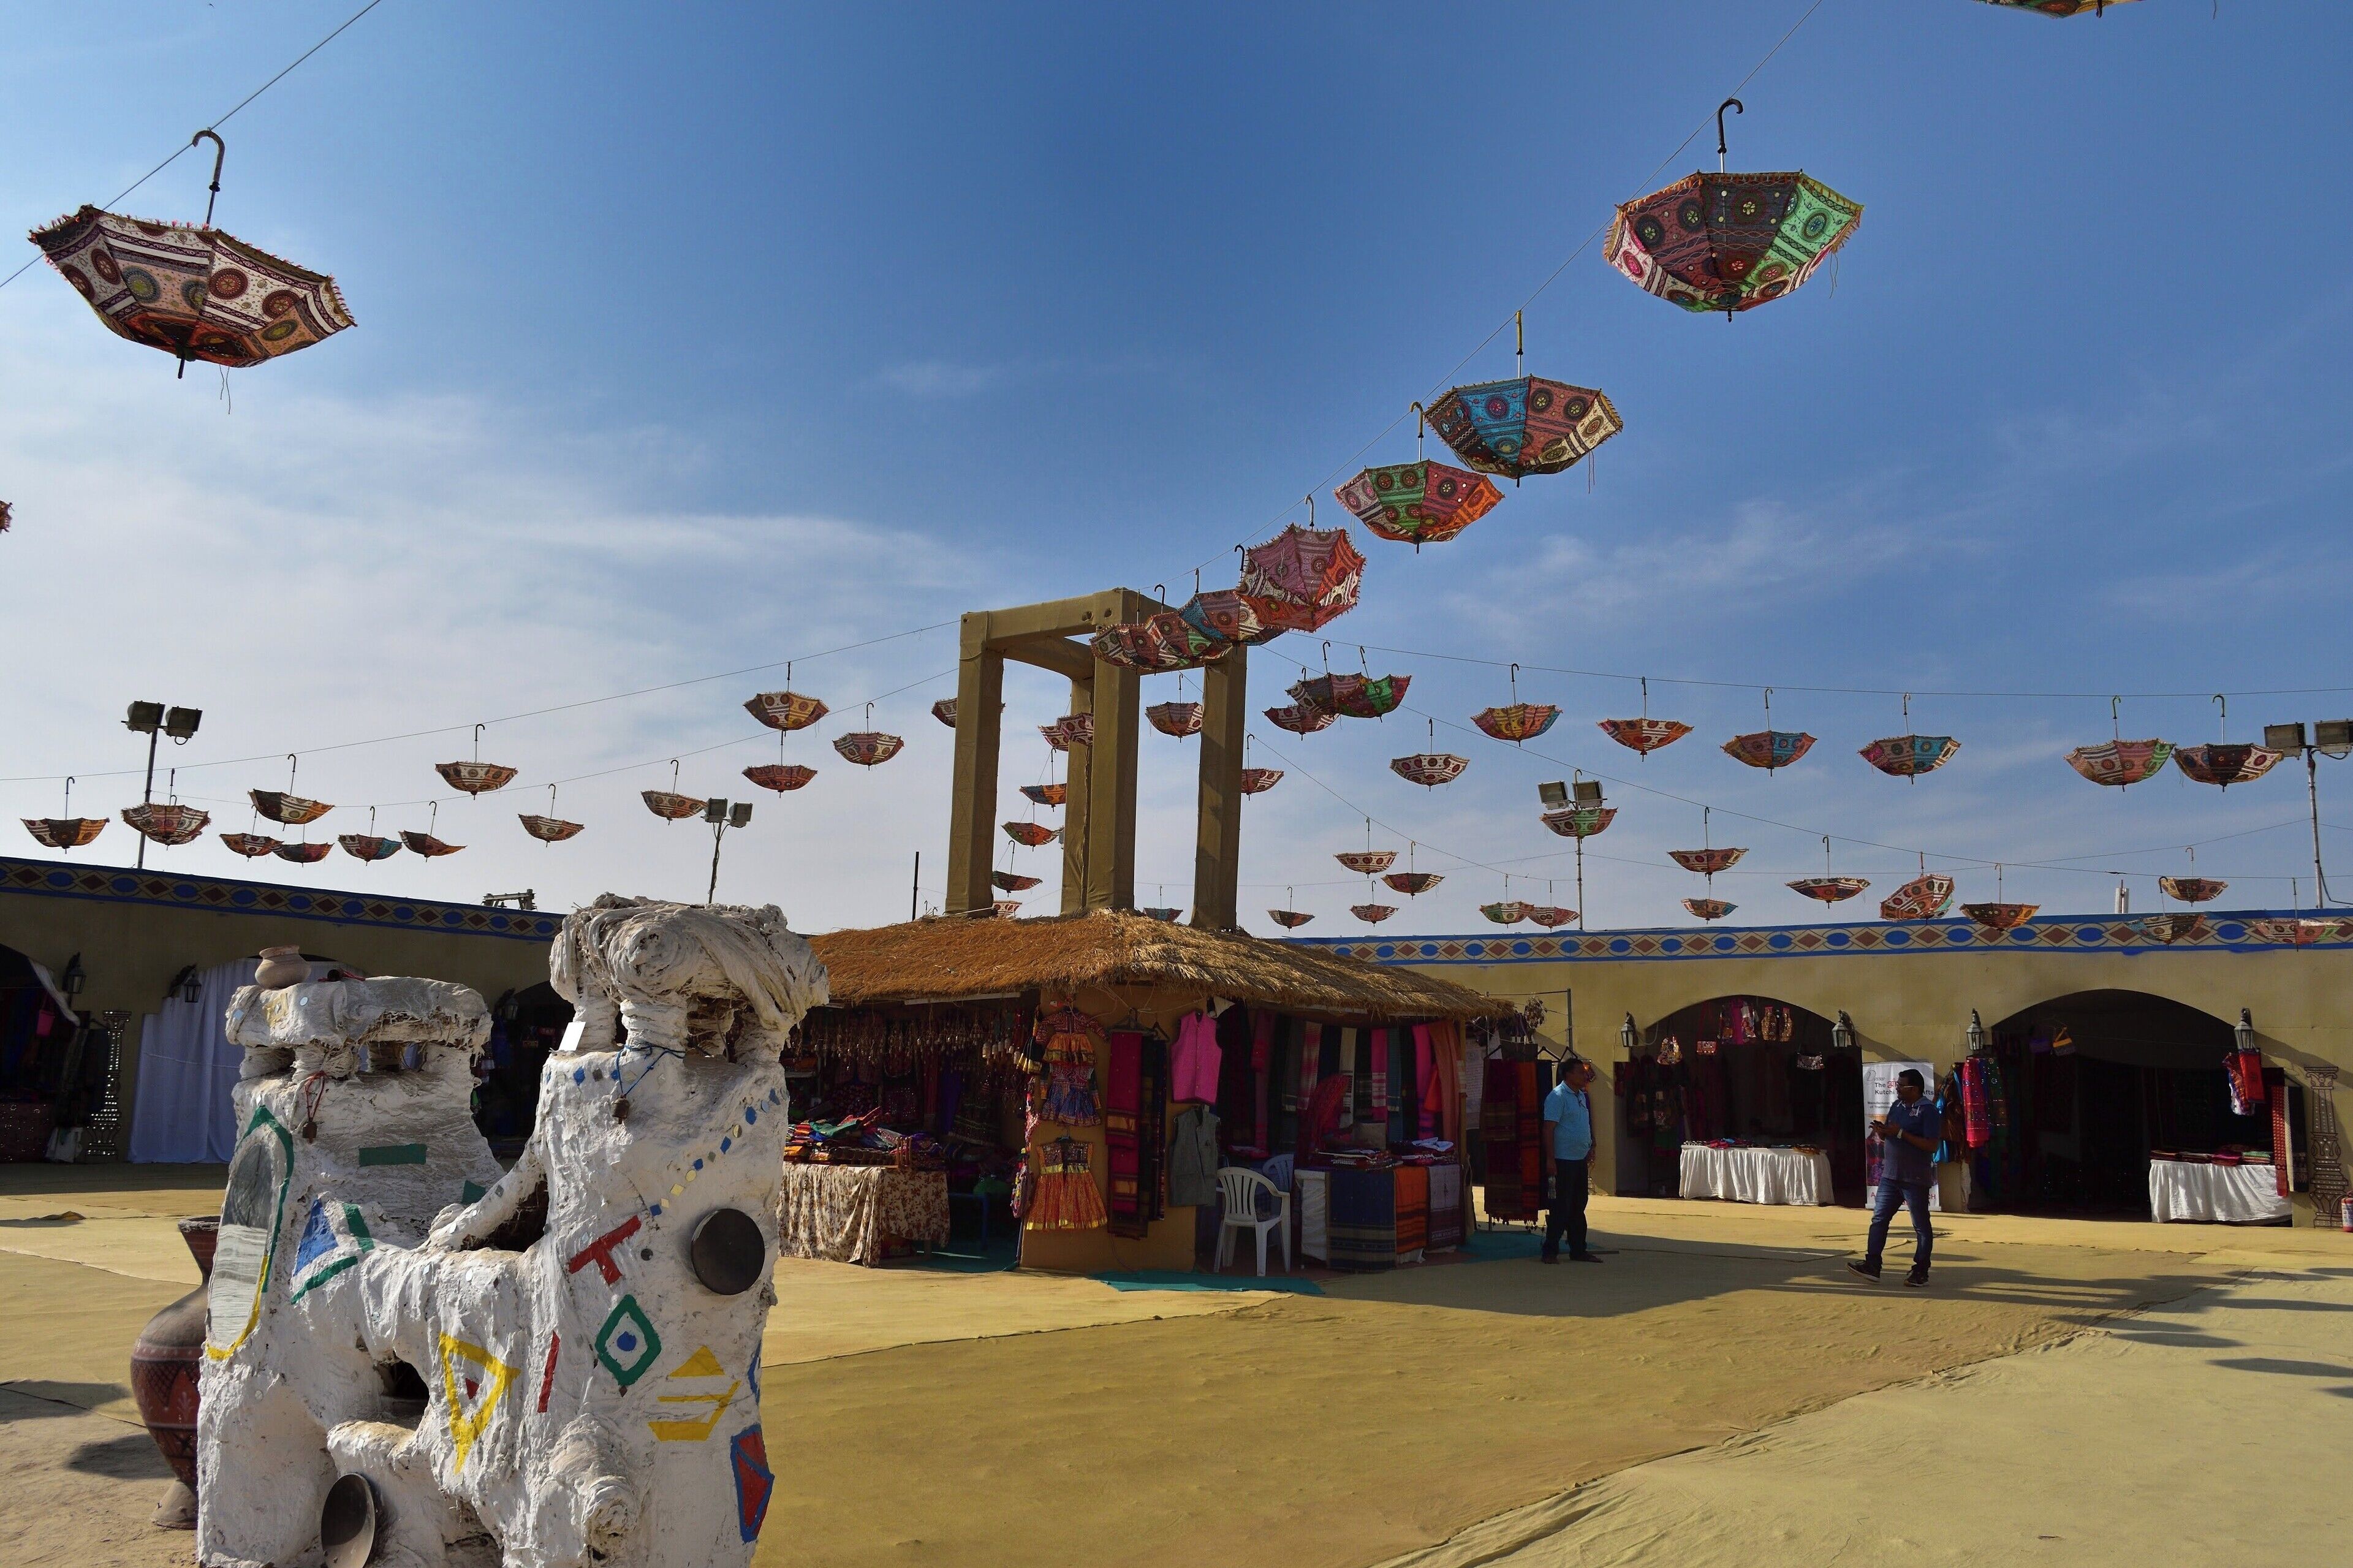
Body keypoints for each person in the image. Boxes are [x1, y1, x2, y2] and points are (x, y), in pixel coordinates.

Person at [1850, 1067, 1940, 1286]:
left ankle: (1921, 1271)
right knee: (1879, 1219)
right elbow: (1891, 1131)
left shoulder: (1928, 1111)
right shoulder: (1897, 1106)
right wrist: (1883, 1132)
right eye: (1897, 1085)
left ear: (1915, 1089)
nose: (1897, 1089)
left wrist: (1901, 1134)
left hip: (1915, 1178)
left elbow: (1931, 1145)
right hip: (1890, 1176)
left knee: (1921, 1226)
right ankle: (1872, 1265)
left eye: (1901, 1086)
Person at [1540, 1057, 1599, 1264]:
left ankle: (1578, 1249)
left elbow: (1584, 1123)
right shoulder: (1557, 1097)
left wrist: (1590, 1145)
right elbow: (1549, 1129)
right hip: (1563, 1160)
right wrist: (1550, 1160)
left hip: (1579, 1159)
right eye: (1580, 1072)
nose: (1585, 1076)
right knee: (1561, 1206)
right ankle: (1550, 1250)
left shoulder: (1581, 1096)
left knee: (1578, 1205)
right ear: (1568, 1075)